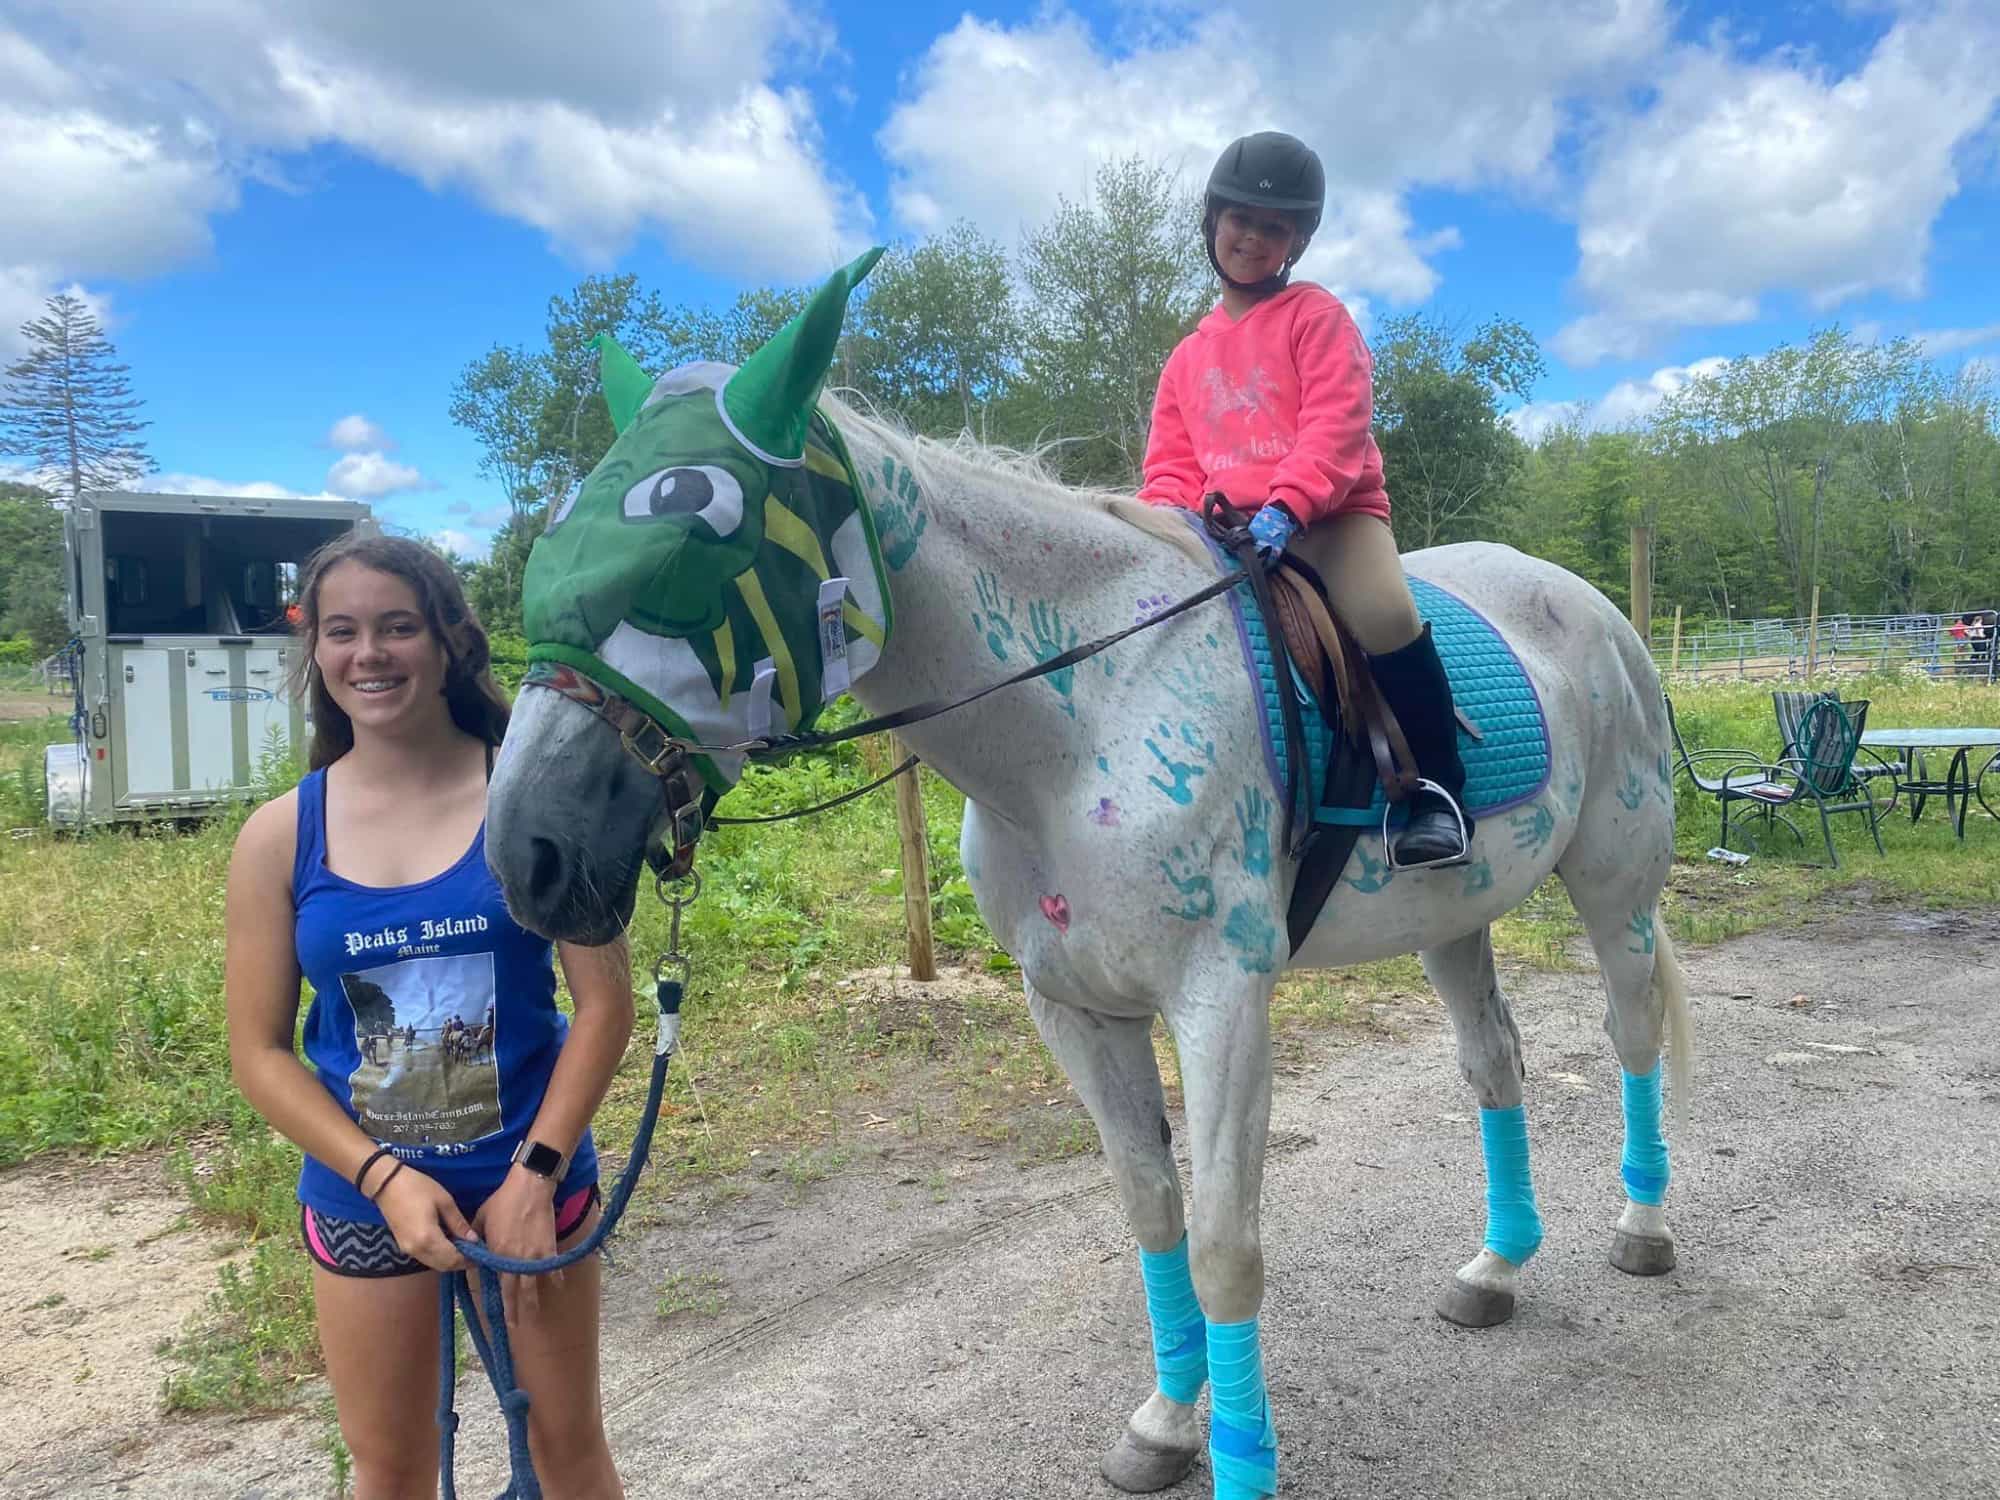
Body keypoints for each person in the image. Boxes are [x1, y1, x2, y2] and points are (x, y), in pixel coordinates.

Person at [225, 533, 633, 1499]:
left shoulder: (531, 801)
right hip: (365, 1200)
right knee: (391, 1467)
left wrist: (535, 1173)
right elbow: (260, 1053)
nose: (370, 654)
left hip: (528, 1189)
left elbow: (606, 1003)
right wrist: (384, 1179)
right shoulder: (280, 835)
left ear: (449, 641)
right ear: (317, 655)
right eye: (343, 632)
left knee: (565, 1451)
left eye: (398, 627)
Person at [1137, 130, 1471, 865]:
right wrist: (1162, 527)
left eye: (1272, 227)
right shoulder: (1186, 358)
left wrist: (1287, 507)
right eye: (1239, 221)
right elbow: (1168, 466)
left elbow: (1337, 427)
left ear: (1296, 241)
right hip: (1224, 535)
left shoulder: (1316, 318)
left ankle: (1439, 796)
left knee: (1385, 613)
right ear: (1212, 222)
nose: (1251, 238)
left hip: (1327, 518)